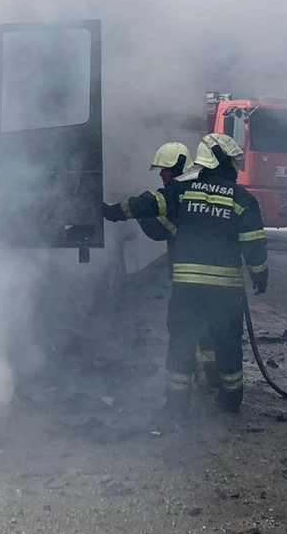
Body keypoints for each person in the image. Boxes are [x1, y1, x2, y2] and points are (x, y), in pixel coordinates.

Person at [103, 132, 269, 415]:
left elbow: (147, 204)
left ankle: (176, 405)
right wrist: (259, 276)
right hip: (226, 291)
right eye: (234, 161)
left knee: (181, 342)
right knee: (228, 343)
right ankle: (230, 400)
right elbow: (254, 244)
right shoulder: (242, 199)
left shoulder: (182, 192)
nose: (238, 166)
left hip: (187, 289)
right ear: (220, 161)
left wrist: (109, 212)